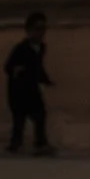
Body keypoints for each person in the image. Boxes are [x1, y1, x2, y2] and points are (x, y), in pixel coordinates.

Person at [5, 11, 54, 154]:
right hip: (18, 91)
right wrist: (15, 70)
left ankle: (40, 143)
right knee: (19, 120)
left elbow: (39, 68)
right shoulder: (20, 48)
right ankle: (15, 144)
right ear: (28, 30)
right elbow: (7, 66)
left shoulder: (42, 48)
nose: (41, 32)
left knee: (40, 115)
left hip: (32, 89)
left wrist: (46, 80)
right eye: (37, 28)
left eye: (43, 28)